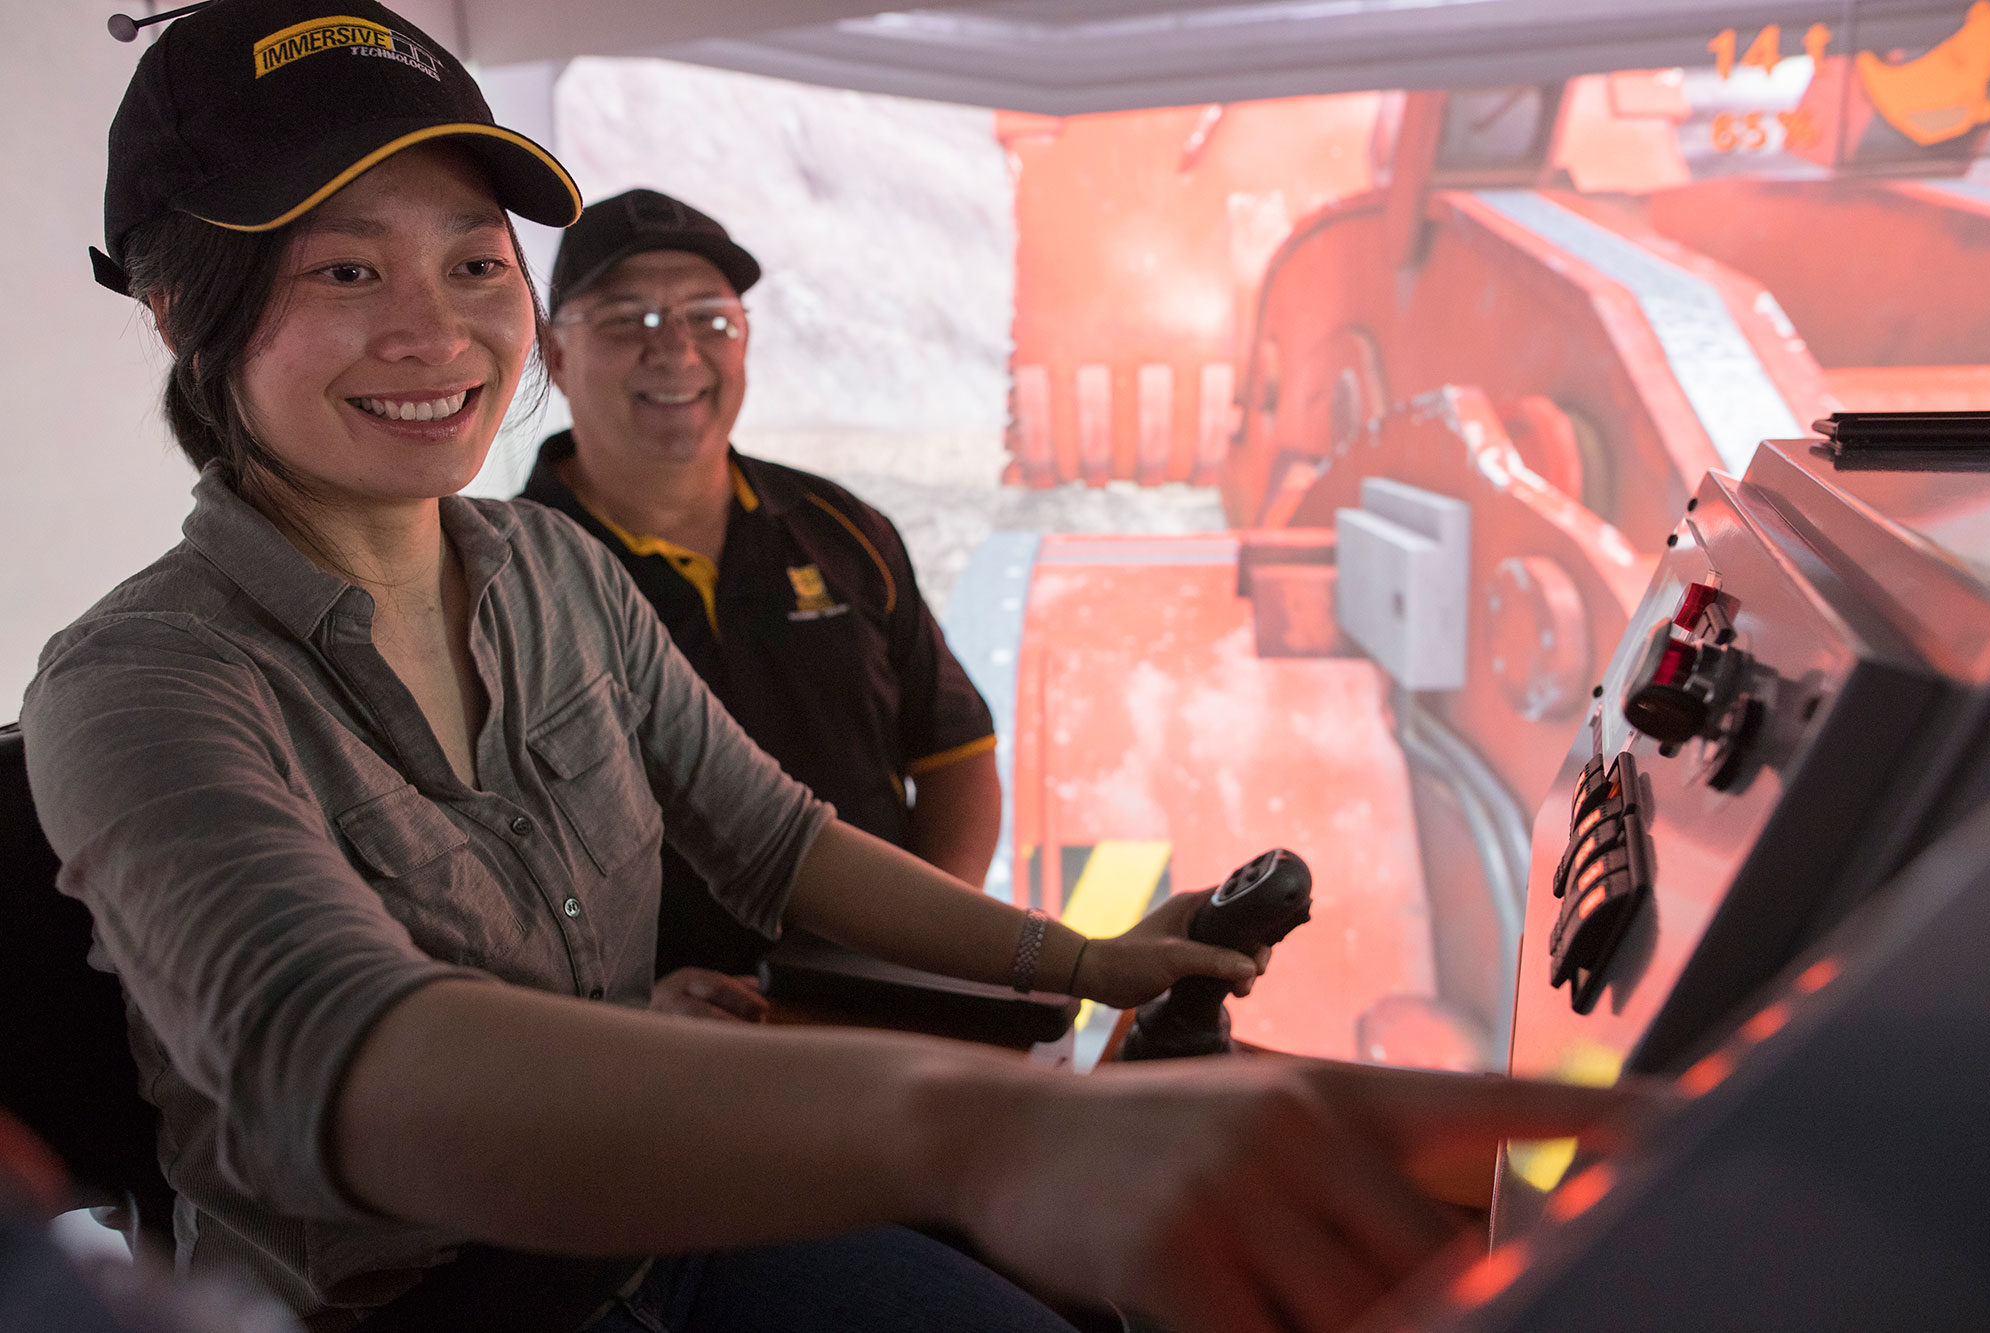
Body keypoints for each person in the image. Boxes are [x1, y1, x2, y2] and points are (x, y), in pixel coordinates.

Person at [22, 1, 1642, 1329]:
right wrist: (987, 1131)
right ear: (183, 308)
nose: (436, 333)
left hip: (672, 1227)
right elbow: (339, 1058)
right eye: (343, 269)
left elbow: (776, 837)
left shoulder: (552, 569)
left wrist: (1084, 966)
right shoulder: (140, 684)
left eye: (470, 260)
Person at [519, 194, 1002, 1015]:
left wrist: (916, 954)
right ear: (554, 357)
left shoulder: (842, 532)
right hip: (649, 1057)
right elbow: (484, 858)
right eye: (624, 320)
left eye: (710, 320)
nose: (673, 351)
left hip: (873, 1023)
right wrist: (620, 1002)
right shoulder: (509, 578)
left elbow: (956, 759)